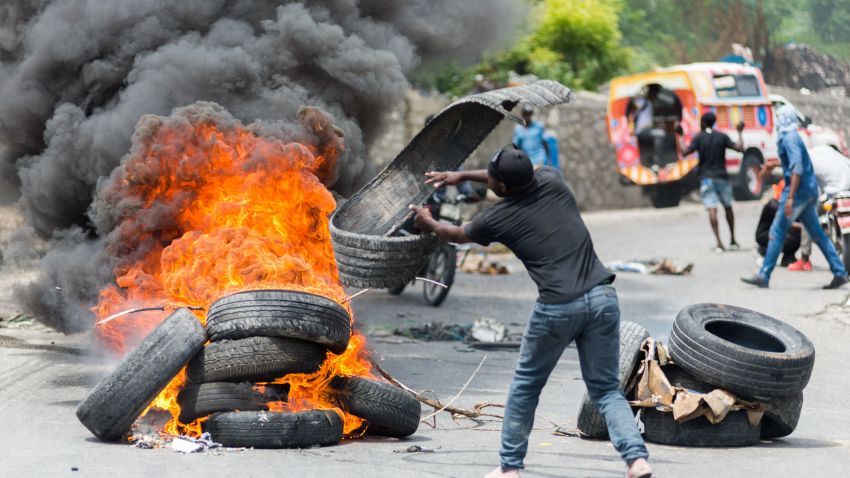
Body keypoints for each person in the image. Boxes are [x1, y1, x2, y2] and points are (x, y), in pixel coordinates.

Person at [409, 146, 651, 478]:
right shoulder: (553, 180)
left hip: (558, 306)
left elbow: (456, 234)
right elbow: (517, 175)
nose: (489, 180)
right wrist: (463, 174)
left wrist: (428, 222)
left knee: (526, 386)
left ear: (502, 188)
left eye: (492, 178)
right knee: (607, 390)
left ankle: (509, 468)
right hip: (603, 295)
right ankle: (636, 461)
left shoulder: (496, 218)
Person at [741, 105, 849, 289]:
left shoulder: (788, 138)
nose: (777, 120)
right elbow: (794, 163)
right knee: (817, 233)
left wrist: (790, 197)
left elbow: (797, 167)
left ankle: (764, 274)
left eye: (779, 117)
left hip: (797, 193)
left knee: (776, 231)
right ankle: (839, 272)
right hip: (808, 191)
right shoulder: (792, 136)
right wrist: (773, 165)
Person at [681, 112, 744, 252]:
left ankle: (719, 243)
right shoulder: (722, 136)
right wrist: (740, 132)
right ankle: (733, 240)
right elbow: (740, 149)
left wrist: (679, 135)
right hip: (722, 177)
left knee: (712, 209)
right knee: (728, 207)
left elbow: (684, 152)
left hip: (706, 178)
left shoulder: (698, 138)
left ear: (703, 123)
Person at [787, 145, 850, 272]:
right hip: (847, 189)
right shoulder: (824, 150)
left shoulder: (805, 161)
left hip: (835, 191)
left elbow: (811, 190)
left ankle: (805, 258)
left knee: (808, 215)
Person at [627, 84, 664, 166]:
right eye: (655, 93)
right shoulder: (642, 101)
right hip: (641, 130)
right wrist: (631, 128)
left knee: (658, 134)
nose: (656, 95)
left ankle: (651, 160)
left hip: (647, 131)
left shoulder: (650, 104)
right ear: (650, 93)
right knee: (660, 134)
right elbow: (632, 113)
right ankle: (656, 160)